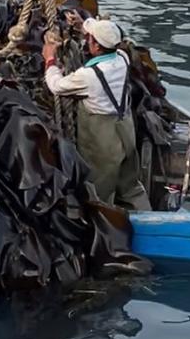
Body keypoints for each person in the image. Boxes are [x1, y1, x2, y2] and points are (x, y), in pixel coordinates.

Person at [43, 13, 151, 211]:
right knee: (129, 182)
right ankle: (145, 214)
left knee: (100, 185)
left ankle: (105, 221)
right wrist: (82, 25)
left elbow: (56, 86)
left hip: (101, 136)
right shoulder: (122, 58)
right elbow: (100, 37)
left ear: (96, 46)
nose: (87, 40)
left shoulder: (89, 76)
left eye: (90, 38)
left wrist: (50, 60)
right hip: (125, 127)